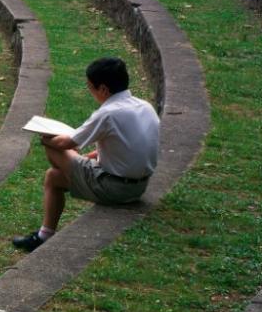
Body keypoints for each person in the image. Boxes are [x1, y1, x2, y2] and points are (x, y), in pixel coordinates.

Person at [11, 57, 160, 252]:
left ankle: (72, 179)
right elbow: (127, 147)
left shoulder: (108, 113)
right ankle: (44, 235)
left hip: (114, 189)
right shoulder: (144, 106)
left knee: (56, 148)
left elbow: (66, 143)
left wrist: (45, 137)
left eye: (90, 87)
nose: (90, 92)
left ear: (104, 89)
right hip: (138, 187)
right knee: (53, 177)